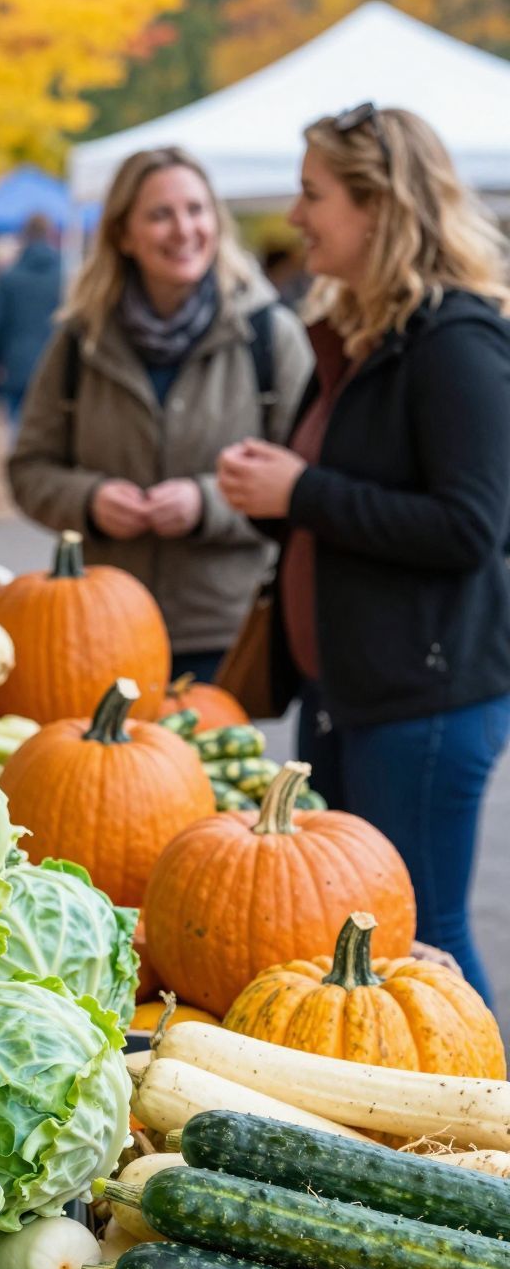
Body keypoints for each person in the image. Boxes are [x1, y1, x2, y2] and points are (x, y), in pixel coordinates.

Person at [218, 106, 510, 1004]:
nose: (296, 217)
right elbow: (348, 501)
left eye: (314, 196)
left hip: (422, 698)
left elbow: (471, 526)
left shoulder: (456, 344)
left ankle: (483, 1123)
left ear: (379, 208)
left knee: (426, 943)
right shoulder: (360, 335)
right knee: (373, 943)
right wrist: (279, 498)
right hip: (349, 690)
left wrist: (300, 492)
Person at [8, 147, 312, 681]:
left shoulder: (268, 334)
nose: (183, 229)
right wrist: (91, 500)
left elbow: (308, 479)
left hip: (225, 629)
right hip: (99, 631)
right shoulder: (81, 340)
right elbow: (29, 469)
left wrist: (206, 503)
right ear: (124, 234)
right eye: (160, 214)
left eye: (196, 210)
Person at [0, 213, 63, 422]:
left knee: (17, 427)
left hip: (16, 362)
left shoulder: (9, 277)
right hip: (54, 361)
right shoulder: (64, 277)